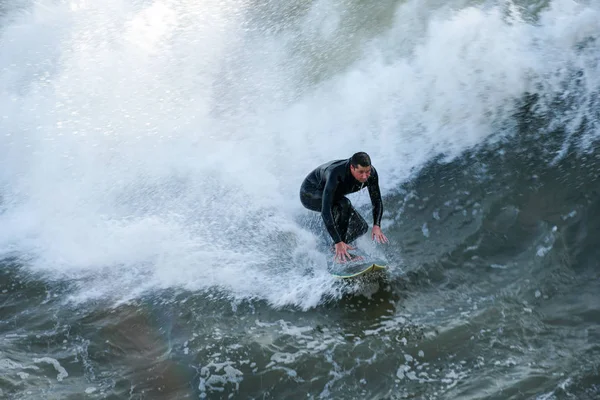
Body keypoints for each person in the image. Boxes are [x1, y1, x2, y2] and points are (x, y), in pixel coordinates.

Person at [299, 152, 388, 262]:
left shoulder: (372, 174)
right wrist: (338, 241)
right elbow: (325, 210)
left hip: (333, 195)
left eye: (367, 171)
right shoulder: (336, 174)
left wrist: (376, 225)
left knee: (361, 227)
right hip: (310, 193)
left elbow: (377, 200)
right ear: (352, 167)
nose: (365, 176)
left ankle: (336, 246)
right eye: (361, 172)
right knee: (344, 204)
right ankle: (338, 248)